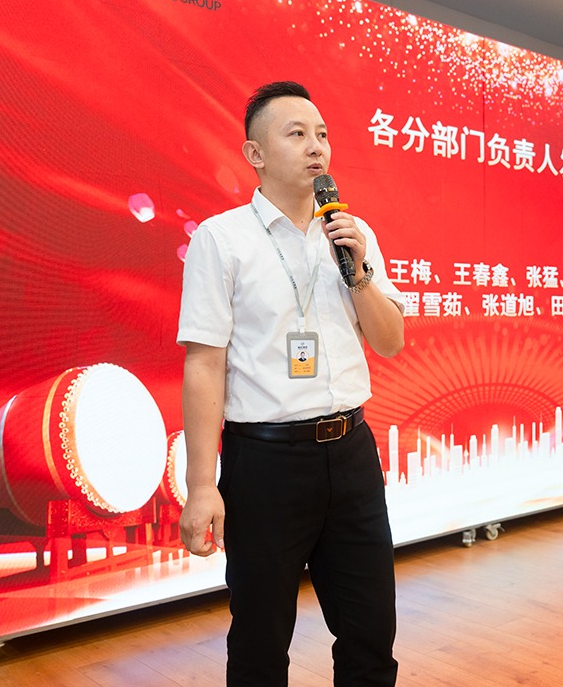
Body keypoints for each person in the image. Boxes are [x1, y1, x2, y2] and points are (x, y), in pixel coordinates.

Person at [176, 81, 405, 686]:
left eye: (322, 134)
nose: (316, 147)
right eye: (297, 134)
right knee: (260, 641)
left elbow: (390, 340)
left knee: (370, 634)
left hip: (352, 454)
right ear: (254, 154)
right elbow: (204, 364)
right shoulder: (222, 239)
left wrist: (358, 274)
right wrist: (201, 486)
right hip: (265, 464)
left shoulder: (351, 234)